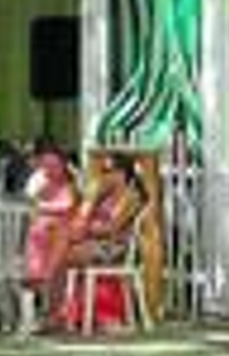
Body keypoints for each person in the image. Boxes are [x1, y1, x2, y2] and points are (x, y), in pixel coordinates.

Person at [45, 153, 146, 331]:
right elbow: (83, 216)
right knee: (61, 241)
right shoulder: (106, 195)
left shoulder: (131, 196)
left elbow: (112, 228)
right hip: (97, 244)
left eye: (107, 171)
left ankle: (53, 308)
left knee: (61, 249)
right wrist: (92, 200)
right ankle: (56, 311)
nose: (104, 176)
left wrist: (85, 229)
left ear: (121, 173)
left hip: (115, 249)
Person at [24, 138, 79, 325]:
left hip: (66, 234)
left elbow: (69, 206)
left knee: (54, 237)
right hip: (50, 237)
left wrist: (43, 208)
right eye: (46, 166)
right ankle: (50, 305)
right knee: (44, 234)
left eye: (54, 166)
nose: (50, 170)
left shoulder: (71, 182)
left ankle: (43, 279)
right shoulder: (41, 183)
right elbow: (31, 206)